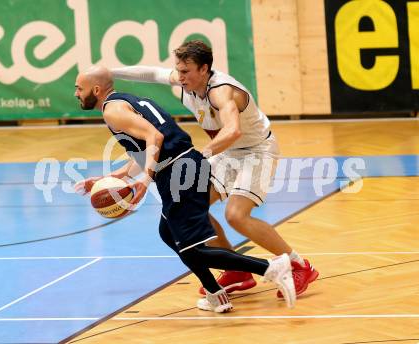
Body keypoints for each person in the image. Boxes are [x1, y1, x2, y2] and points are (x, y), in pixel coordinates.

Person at [73, 65, 296, 313]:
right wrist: (107, 179)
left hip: (180, 171)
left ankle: (270, 268)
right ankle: (216, 294)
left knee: (192, 247)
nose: (76, 93)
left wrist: (145, 181)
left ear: (95, 89)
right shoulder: (124, 101)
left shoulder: (113, 111)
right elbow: (143, 150)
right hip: (182, 167)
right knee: (168, 232)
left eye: (79, 88)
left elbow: (154, 138)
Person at [110, 40, 318, 298]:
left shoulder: (221, 91)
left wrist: (202, 154)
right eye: (179, 70)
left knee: (236, 215)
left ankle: (299, 264)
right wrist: (111, 71)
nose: (180, 77)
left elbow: (233, 130)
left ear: (204, 69)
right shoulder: (186, 82)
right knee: (191, 207)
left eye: (186, 72)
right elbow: (152, 73)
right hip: (228, 152)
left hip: (257, 151)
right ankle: (237, 270)